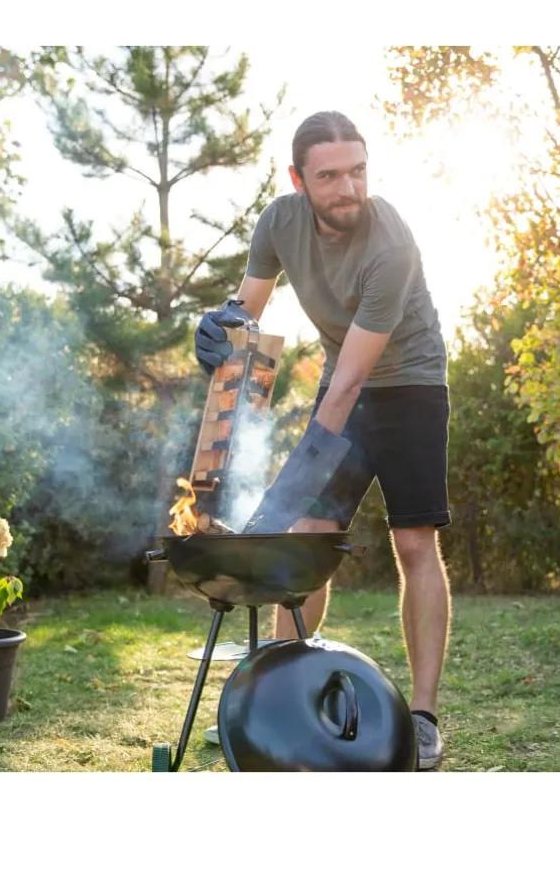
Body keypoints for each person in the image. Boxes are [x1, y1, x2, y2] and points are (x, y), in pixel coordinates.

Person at [194, 111, 451, 770]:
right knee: (307, 534)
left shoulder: (390, 246)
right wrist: (218, 331)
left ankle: (422, 716)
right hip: (349, 384)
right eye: (330, 176)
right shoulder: (279, 222)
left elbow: (351, 384)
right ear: (298, 180)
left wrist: (281, 495)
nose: (348, 189)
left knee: (413, 542)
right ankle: (273, 694)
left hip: (411, 385)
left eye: (358, 171)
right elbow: (245, 313)